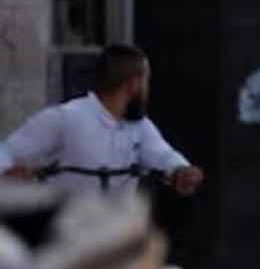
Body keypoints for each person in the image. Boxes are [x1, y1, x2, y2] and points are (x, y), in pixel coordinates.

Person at [0, 44, 204, 197]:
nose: (147, 89)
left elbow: (161, 155)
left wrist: (181, 170)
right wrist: (7, 173)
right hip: (66, 236)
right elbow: (7, 151)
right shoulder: (66, 118)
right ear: (133, 84)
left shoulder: (139, 126)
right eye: (146, 80)